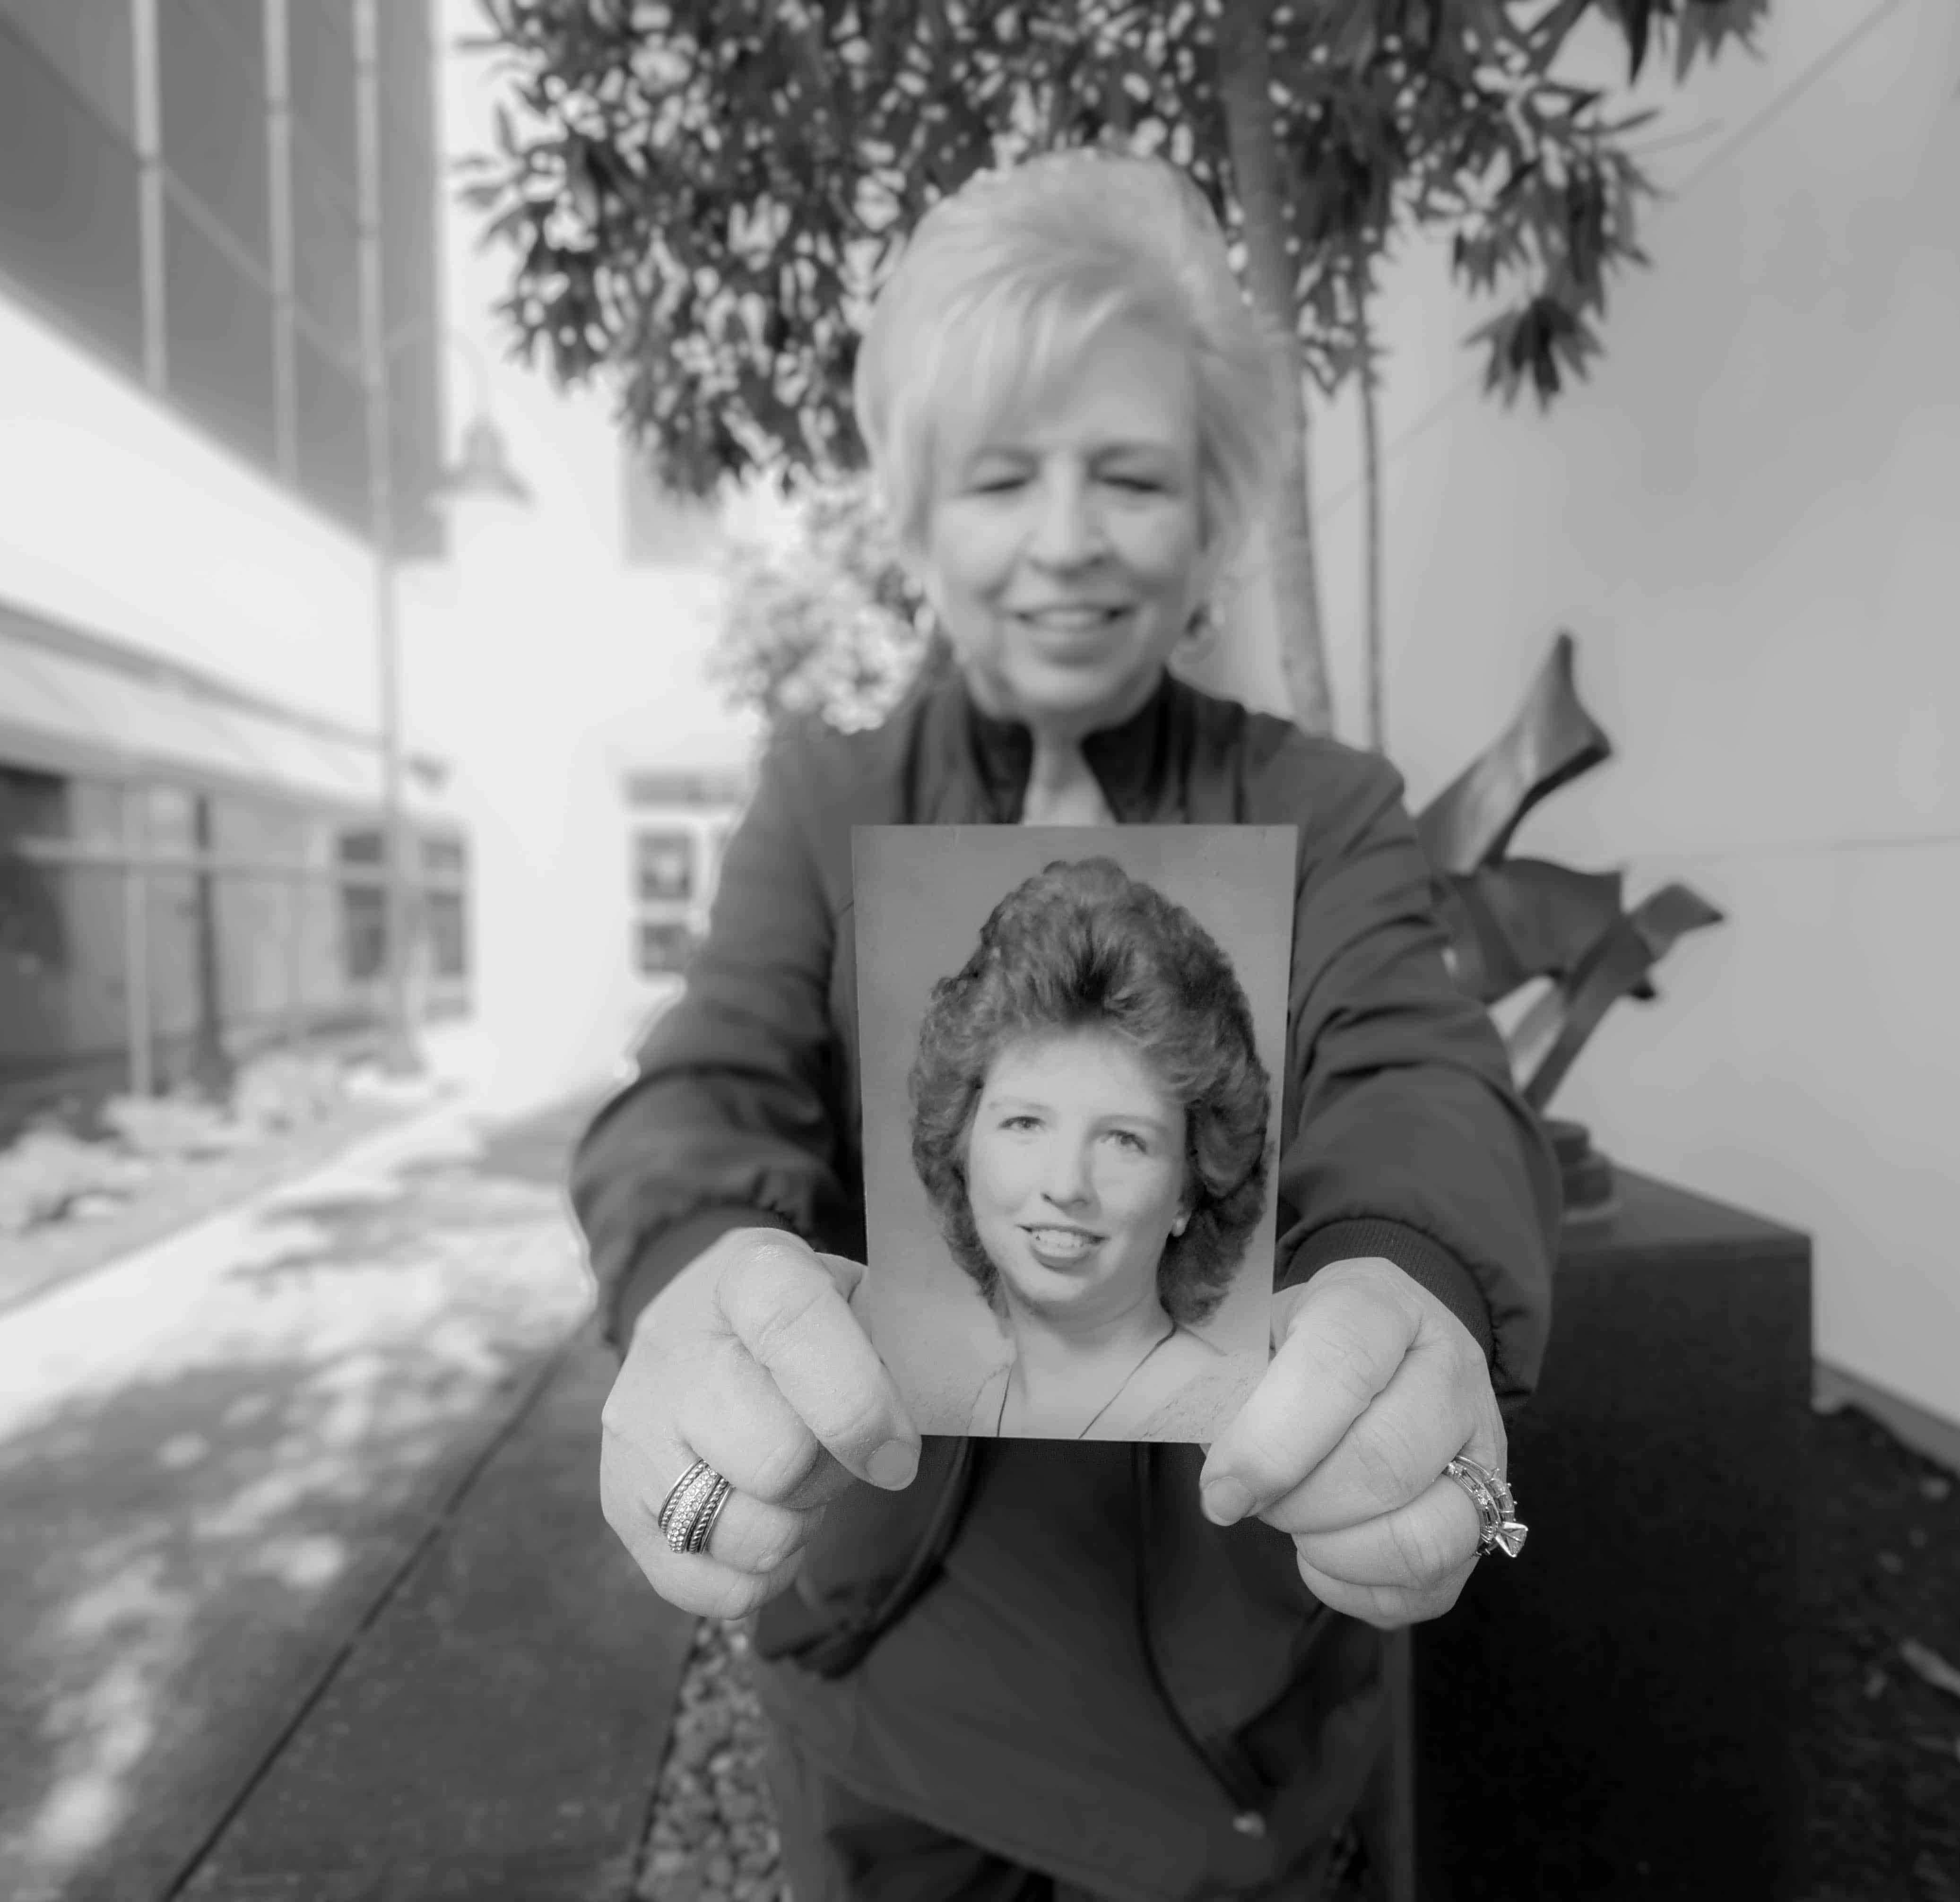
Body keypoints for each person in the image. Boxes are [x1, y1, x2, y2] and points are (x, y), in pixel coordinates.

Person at [572, 146, 1559, 1902]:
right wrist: (690, 1272)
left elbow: (1403, 1062)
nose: (1063, 539)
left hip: (1226, 1670)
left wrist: (1409, 1265)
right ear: (914, 513)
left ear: (1208, 512)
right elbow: (706, 1083)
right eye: (998, 477)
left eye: (1126, 474)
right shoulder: (823, 795)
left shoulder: (1317, 803)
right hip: (882, 1662)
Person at [911, 856, 1269, 1444]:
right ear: (963, 1146)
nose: (1066, 1184)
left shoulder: (1234, 1425)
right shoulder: (978, 1411)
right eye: (1026, 1123)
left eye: (1124, 1139)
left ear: (1189, 1187)